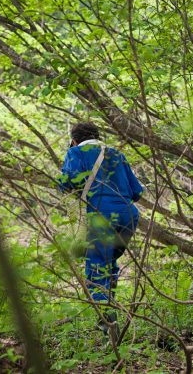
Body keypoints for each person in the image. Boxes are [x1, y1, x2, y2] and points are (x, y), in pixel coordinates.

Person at [57, 122, 144, 338]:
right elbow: (137, 191)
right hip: (128, 216)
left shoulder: (76, 152)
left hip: (100, 216)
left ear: (74, 140)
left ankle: (108, 323)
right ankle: (109, 312)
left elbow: (65, 184)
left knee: (96, 267)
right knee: (107, 265)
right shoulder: (117, 154)